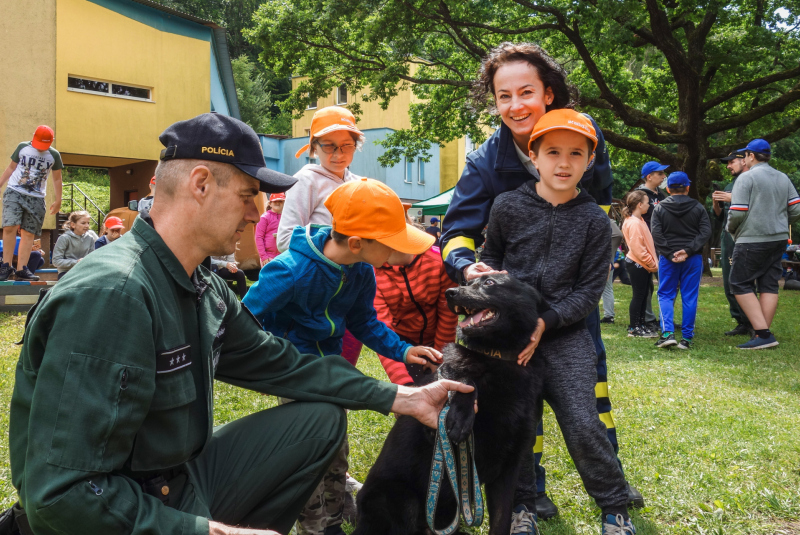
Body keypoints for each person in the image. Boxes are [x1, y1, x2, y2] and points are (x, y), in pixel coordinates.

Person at [8, 112, 471, 535]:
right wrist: (207, 532)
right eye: (250, 196)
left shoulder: (201, 286)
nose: (256, 215)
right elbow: (63, 498)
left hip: (178, 481)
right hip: (112, 515)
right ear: (201, 183)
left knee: (319, 420)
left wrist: (400, 397)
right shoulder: (114, 294)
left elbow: (280, 363)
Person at [438, 41, 643, 528]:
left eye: (526, 92)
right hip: (510, 314)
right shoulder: (488, 162)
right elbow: (458, 231)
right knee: (514, 409)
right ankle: (527, 500)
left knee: (587, 406)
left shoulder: (586, 136)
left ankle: (613, 492)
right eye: (503, 96)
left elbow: (594, 214)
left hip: (570, 312)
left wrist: (556, 313)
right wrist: (469, 270)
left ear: (548, 93)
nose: (515, 106)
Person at [244, 178, 443, 535]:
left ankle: (334, 517)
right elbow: (244, 317)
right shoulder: (290, 271)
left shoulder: (361, 269)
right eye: (390, 245)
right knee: (308, 455)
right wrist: (266, 361)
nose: (396, 254)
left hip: (331, 372)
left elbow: (364, 321)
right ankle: (316, 526)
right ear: (356, 243)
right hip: (293, 373)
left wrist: (403, 349)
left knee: (336, 448)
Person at [480, 109, 634, 534]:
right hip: (511, 341)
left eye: (576, 154)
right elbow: (491, 259)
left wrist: (545, 322)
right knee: (519, 428)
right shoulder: (507, 205)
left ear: (589, 160)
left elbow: (588, 291)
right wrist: (495, 298)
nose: (563, 163)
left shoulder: (594, 221)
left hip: (565, 338)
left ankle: (614, 508)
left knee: (584, 425)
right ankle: (520, 507)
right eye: (553, 152)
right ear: (535, 156)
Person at [277, 105, 366, 368]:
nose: (338, 154)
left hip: (351, 292)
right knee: (306, 376)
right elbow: (285, 240)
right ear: (314, 147)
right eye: (329, 145)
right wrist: (332, 247)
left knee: (342, 373)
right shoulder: (305, 181)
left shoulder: (360, 184)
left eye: (346, 145)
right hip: (312, 297)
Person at [727, 139, 800, 349]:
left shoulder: (746, 178)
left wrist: (731, 229)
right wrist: (780, 222)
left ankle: (762, 333)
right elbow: (796, 210)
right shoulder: (783, 177)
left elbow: (737, 212)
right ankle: (763, 335)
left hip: (752, 238)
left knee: (739, 283)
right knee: (769, 284)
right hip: (779, 238)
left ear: (750, 155)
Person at [374, 238, 458, 386]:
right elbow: (381, 330)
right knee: (415, 390)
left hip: (438, 335)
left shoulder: (437, 261)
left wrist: (437, 358)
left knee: (444, 388)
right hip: (402, 340)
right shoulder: (373, 273)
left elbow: (448, 314)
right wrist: (404, 385)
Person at [650, 172, 712, 349]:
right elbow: (705, 232)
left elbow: (656, 234)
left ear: (668, 188)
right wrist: (688, 250)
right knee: (690, 296)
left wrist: (670, 254)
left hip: (668, 259)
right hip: (693, 259)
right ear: (688, 187)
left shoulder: (660, 208)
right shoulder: (698, 207)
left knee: (665, 294)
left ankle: (668, 333)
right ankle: (687, 338)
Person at [0, 125, 63, 282]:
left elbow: (57, 178)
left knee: (29, 233)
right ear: (33, 136)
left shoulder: (54, 155)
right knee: (10, 227)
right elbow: (10, 168)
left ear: (51, 141)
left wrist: (58, 200)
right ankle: (6, 265)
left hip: (36, 197)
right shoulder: (23, 147)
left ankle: (22, 269)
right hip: (15, 191)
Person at [713, 150, 752, 336]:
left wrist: (732, 198)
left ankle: (754, 322)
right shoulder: (730, 184)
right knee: (729, 282)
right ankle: (741, 321)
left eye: (732, 162)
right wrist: (716, 205)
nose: (728, 166)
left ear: (744, 160)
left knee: (745, 280)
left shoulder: (753, 180)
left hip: (747, 236)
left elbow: (759, 206)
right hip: (728, 237)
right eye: (727, 163)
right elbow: (721, 216)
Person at [621, 191, 659, 338]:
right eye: (647, 202)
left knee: (643, 295)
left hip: (643, 264)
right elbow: (639, 249)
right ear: (639, 204)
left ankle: (641, 324)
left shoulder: (639, 220)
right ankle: (634, 327)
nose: (649, 205)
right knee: (639, 295)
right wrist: (652, 264)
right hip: (638, 264)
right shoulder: (634, 223)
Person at [636, 161, 669, 330]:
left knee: (665, 282)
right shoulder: (639, 195)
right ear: (649, 176)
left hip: (662, 244)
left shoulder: (662, 195)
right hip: (645, 245)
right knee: (646, 284)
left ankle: (665, 319)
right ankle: (648, 318)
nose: (664, 177)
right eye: (660, 173)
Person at [52, 210, 98, 280]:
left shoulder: (90, 238)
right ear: (73, 225)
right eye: (83, 223)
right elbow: (56, 261)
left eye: (88, 223)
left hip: (84, 272)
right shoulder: (64, 238)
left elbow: (92, 258)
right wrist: (76, 262)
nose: (87, 226)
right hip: (66, 272)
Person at [600, 218, 624, 324]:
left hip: (604, 262)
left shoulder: (603, 218)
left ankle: (609, 316)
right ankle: (609, 315)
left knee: (606, 288)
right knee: (607, 288)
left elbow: (618, 235)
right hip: (607, 261)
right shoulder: (607, 220)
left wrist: (609, 255)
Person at [256, 193, 285, 265]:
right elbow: (259, 237)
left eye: (280, 201)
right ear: (270, 203)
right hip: (268, 256)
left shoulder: (286, 217)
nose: (278, 203)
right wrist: (264, 257)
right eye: (275, 201)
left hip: (283, 255)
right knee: (269, 276)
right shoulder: (265, 217)